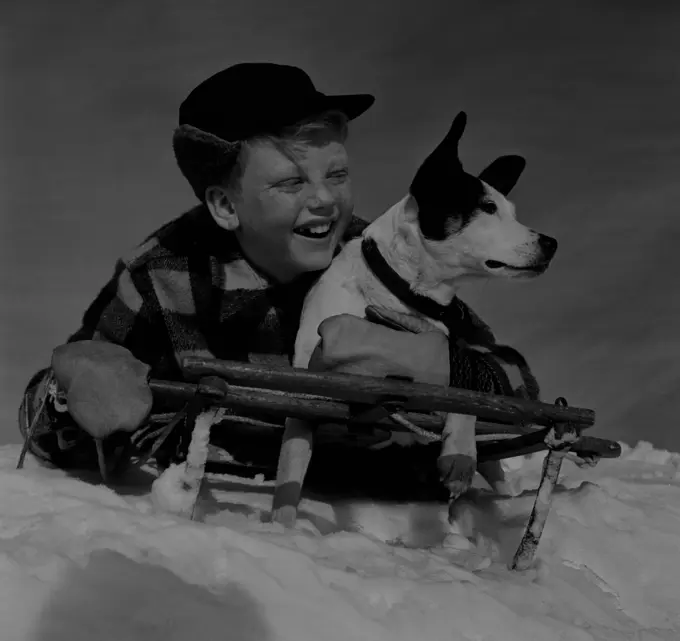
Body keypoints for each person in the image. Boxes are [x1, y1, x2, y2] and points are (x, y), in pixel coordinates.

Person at [18, 62, 452, 474]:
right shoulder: (162, 279)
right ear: (226, 206)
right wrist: (71, 393)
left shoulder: (384, 259)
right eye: (292, 182)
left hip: (379, 524)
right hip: (229, 525)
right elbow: (46, 418)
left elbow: (510, 380)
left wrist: (447, 368)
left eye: (337, 175)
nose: (325, 200)